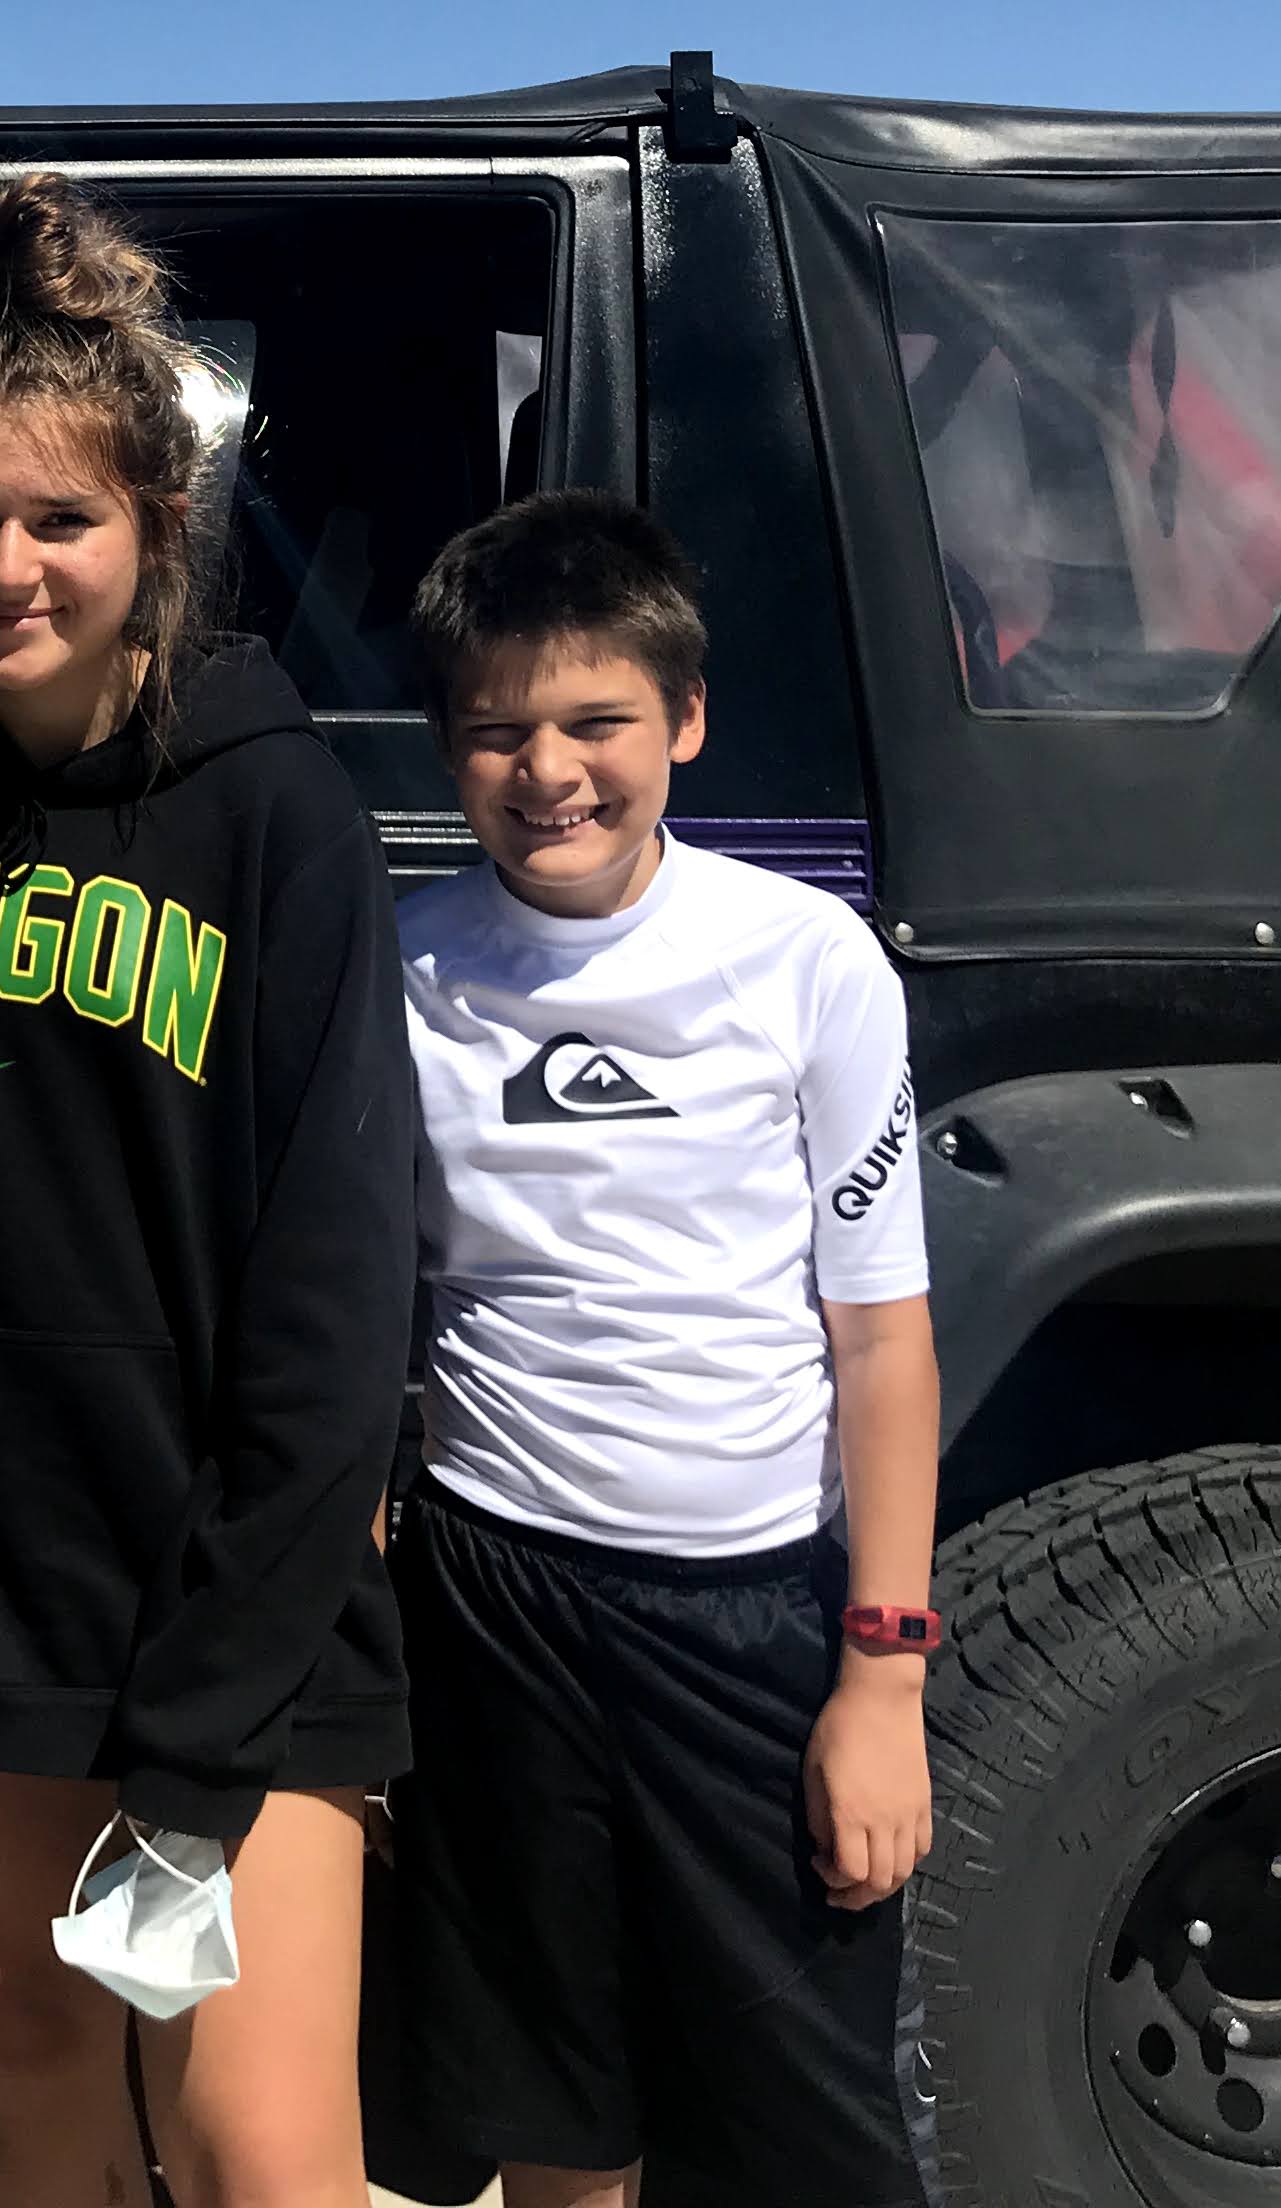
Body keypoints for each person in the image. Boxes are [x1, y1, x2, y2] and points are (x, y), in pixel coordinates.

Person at [0, 175, 419, 2208]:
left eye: (60, 518)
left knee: (256, 2152)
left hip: (230, 1611)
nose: (8, 567)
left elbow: (335, 1299)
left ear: (157, 519)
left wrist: (215, 1708)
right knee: (25, 2069)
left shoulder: (279, 813)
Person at [382, 490, 939, 2208]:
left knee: (802, 2127)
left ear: (685, 720)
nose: (548, 770)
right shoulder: (401, 971)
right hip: (494, 1606)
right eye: (498, 730)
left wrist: (883, 1682)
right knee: (553, 2117)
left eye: (596, 721)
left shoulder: (809, 961)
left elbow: (884, 1340)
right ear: (448, 748)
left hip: (751, 1619)